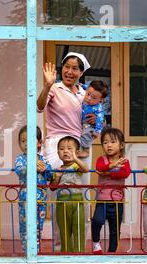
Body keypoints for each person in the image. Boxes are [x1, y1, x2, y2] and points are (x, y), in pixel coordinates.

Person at [37, 52, 95, 247]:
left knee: (82, 194)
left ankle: (79, 245)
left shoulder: (85, 93)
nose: (70, 71)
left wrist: (94, 120)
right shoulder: (54, 87)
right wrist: (46, 85)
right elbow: (39, 106)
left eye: (75, 68)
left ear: (81, 72)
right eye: (67, 67)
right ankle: (59, 245)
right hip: (57, 145)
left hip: (80, 145)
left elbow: (95, 115)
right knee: (60, 193)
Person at [91, 128, 131, 254]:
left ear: (121, 145)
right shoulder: (101, 159)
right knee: (97, 221)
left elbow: (125, 173)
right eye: (105, 142)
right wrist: (112, 166)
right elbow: (99, 167)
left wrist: (107, 173)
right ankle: (96, 244)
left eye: (113, 142)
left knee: (115, 228)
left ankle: (111, 252)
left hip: (117, 201)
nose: (109, 145)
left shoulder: (124, 161)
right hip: (102, 200)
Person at [14, 125, 53, 253]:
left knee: (38, 227)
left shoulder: (42, 159)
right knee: (25, 226)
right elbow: (20, 170)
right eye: (23, 141)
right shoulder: (21, 159)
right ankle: (26, 252)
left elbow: (50, 175)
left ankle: (35, 252)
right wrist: (32, 165)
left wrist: (45, 169)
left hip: (41, 199)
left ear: (39, 143)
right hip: (26, 199)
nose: (26, 144)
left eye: (30, 140)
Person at [51, 136, 89, 253]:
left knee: (78, 228)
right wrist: (56, 177)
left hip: (77, 201)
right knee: (64, 230)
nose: (65, 151)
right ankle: (66, 253)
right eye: (62, 149)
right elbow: (52, 188)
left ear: (77, 152)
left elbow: (85, 169)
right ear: (58, 153)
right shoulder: (58, 169)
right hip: (62, 202)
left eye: (69, 149)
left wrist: (76, 159)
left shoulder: (76, 166)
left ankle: (79, 252)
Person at [78, 80, 109, 158]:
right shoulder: (88, 93)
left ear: (100, 100)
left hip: (89, 125)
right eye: (88, 94)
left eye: (93, 98)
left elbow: (100, 121)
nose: (88, 98)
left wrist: (97, 132)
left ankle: (86, 151)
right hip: (82, 123)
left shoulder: (98, 108)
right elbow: (87, 88)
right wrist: (82, 85)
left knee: (86, 135)